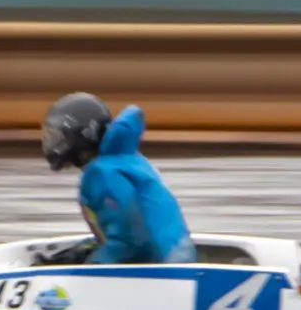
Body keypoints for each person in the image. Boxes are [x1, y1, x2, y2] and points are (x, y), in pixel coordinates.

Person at [40, 92, 192, 265]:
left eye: (59, 136)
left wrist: (89, 265)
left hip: (163, 273)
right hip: (174, 260)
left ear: (83, 133)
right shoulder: (125, 160)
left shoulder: (102, 174)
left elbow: (130, 243)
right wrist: (79, 254)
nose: (53, 143)